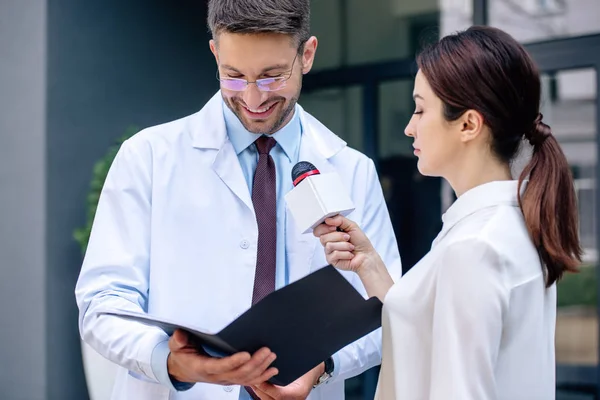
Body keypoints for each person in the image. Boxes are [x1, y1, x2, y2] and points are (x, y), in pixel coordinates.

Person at [74, 0, 402, 399]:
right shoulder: (148, 158)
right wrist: (170, 361)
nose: (253, 97)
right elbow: (103, 303)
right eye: (233, 76)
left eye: (272, 76)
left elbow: (387, 312)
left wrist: (324, 365)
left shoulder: (352, 170)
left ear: (308, 54)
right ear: (215, 53)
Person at [312, 25, 581, 400]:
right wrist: (369, 265)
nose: (409, 127)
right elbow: (428, 338)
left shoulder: (473, 247)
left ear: (468, 124)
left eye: (421, 109)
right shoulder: (510, 226)